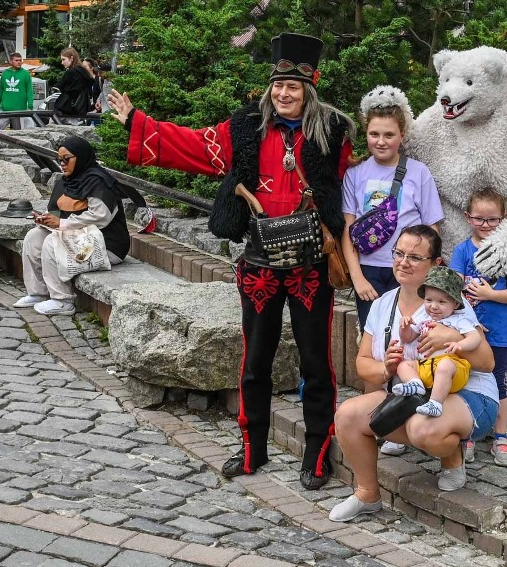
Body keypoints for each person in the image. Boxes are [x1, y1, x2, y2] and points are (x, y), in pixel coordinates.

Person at [107, 33, 357, 490]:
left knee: (317, 362)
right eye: (278, 86)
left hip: (309, 266)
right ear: (270, 88)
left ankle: (317, 452)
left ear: (309, 89)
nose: (284, 93)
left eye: (293, 87)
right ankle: (252, 447)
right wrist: (137, 123)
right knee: (255, 360)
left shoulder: (333, 134)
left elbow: (355, 184)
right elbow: (194, 146)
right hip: (260, 262)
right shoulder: (244, 128)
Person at [329, 225, 499, 522]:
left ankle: (452, 456)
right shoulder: (383, 304)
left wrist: (451, 337)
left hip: (469, 395)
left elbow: (487, 363)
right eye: (399, 253)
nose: (403, 262)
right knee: (347, 416)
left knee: (423, 428)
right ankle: (367, 494)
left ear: (435, 264)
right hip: (416, 393)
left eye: (415, 257)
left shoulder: (450, 303)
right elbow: (363, 364)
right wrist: (386, 367)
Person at [341, 86, 443, 332]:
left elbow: (433, 228)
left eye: (389, 135)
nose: (381, 141)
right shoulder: (355, 174)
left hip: (409, 267)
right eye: (374, 134)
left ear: (402, 134)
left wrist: (429, 271)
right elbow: (347, 229)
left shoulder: (419, 173)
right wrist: (358, 278)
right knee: (373, 335)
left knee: (411, 332)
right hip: (369, 269)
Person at [13, 136, 130, 316]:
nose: (62, 163)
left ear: (81, 157)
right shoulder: (68, 180)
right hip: (78, 237)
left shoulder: (99, 181)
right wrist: (45, 219)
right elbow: (57, 212)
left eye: (67, 159)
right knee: (34, 237)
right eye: (60, 159)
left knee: (53, 243)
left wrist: (61, 223)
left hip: (105, 244)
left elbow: (100, 218)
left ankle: (63, 301)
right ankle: (38, 293)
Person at [449, 189, 507, 466]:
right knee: (466, 381)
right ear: (468, 218)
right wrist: (471, 323)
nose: (485, 225)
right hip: (469, 332)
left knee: (498, 382)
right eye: (479, 219)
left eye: (492, 220)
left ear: (502, 219)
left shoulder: (506, 252)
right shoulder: (463, 250)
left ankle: (500, 437)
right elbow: (454, 289)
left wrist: (490, 295)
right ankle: (469, 434)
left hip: (500, 331)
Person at [394, 266, 482, 417]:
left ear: (455, 304)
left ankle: (436, 403)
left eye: (441, 302)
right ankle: (416, 384)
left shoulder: (458, 320)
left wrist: (460, 344)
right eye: (428, 300)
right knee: (403, 365)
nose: (433, 306)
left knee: (445, 365)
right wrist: (405, 326)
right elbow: (407, 338)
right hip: (427, 367)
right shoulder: (424, 319)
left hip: (453, 368)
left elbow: (475, 338)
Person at [0, 52, 34, 130]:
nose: (19, 62)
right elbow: (0, 90)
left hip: (20, 110)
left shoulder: (25, 74)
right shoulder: (5, 73)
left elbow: (29, 91)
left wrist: (30, 106)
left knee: (20, 132)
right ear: (11, 61)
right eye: (16, 60)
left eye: (20, 60)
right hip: (4, 109)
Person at [54, 48, 94, 124]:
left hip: (66, 110)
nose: (62, 63)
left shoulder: (71, 73)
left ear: (71, 58)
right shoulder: (83, 72)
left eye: (63, 59)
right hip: (80, 110)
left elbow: (63, 87)